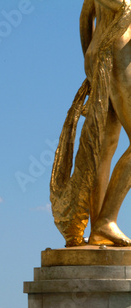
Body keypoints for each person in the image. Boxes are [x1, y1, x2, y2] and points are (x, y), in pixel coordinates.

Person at [51, 0, 131, 246]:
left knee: (104, 144)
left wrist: (90, 52)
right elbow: (120, 6)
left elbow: (85, 16)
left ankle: (100, 229)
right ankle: (106, 220)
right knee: (104, 145)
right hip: (117, 53)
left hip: (104, 52)